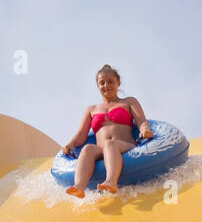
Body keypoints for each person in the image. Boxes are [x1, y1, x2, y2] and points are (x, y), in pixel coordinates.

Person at [60, 64, 154, 197]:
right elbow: (81, 135)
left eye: (110, 82)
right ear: (97, 86)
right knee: (87, 149)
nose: (106, 85)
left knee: (110, 144)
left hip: (125, 146)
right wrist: (71, 144)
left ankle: (111, 181)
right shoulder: (91, 109)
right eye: (102, 83)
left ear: (118, 83)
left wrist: (145, 129)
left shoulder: (128, 102)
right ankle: (79, 187)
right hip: (101, 150)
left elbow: (141, 121)